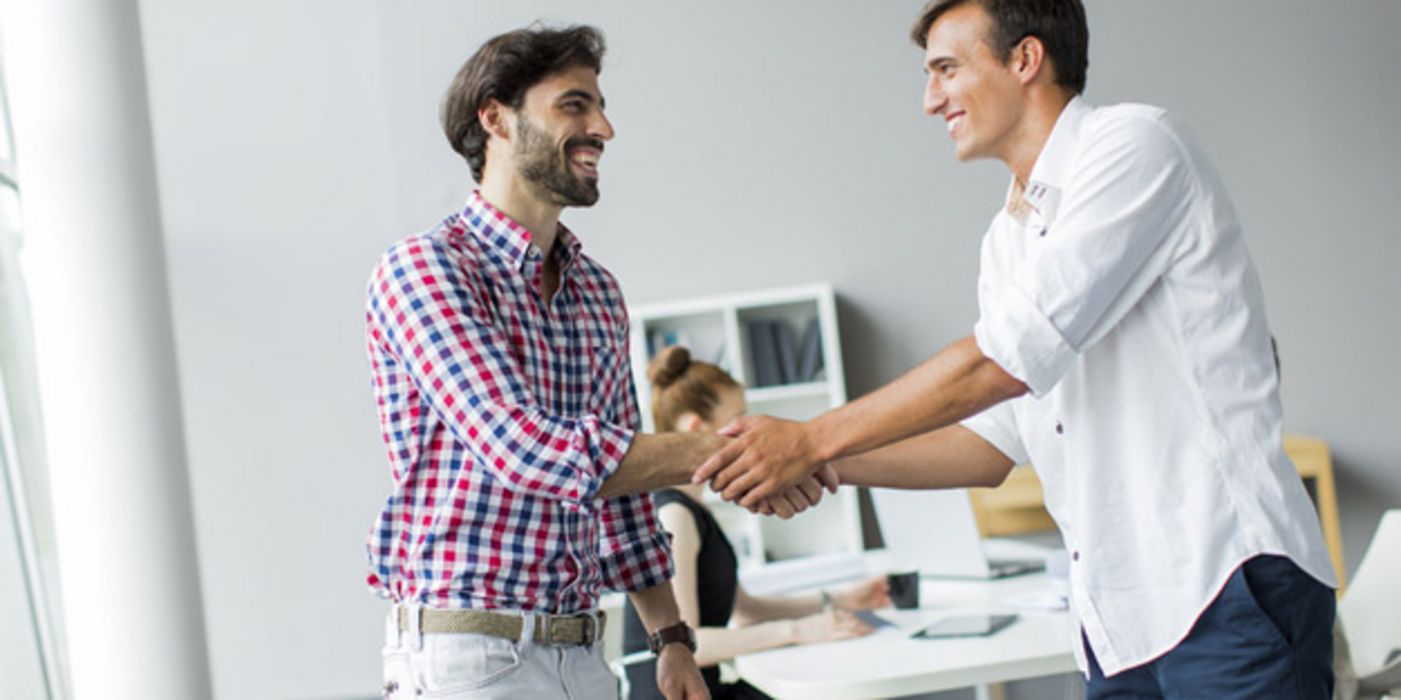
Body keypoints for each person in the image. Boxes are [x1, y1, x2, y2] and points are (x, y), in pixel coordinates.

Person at [693, 1, 1338, 698]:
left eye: (945, 69)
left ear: (1024, 60)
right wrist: (825, 467)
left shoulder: (1135, 147)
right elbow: (989, 445)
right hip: (1118, 621)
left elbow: (1003, 360)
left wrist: (811, 440)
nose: (928, 99)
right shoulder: (1006, 239)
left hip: (1223, 586)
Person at [364, 24, 830, 700]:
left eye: (600, 106)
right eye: (574, 105)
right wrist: (742, 452)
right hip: (468, 654)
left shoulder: (594, 291)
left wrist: (671, 638)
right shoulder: (426, 270)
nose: (603, 127)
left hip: (582, 649)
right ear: (494, 117)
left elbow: (620, 490)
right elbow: (520, 447)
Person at [620, 347, 891, 699]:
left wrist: (839, 600)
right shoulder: (674, 516)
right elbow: (690, 643)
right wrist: (798, 630)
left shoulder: (694, 509)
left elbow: (746, 609)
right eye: (738, 421)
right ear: (696, 428)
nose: (750, 436)